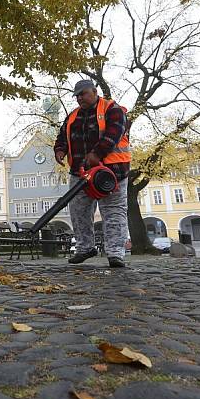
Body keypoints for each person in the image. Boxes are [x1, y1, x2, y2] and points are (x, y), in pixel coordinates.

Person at [53, 80, 131, 268]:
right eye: (77, 95)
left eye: (83, 94)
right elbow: (62, 136)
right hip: (80, 173)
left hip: (113, 172)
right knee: (79, 212)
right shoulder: (72, 116)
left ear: (95, 92)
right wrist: (60, 150)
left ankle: (115, 253)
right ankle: (85, 248)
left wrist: (97, 153)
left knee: (113, 212)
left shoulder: (113, 109)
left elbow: (114, 134)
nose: (80, 98)